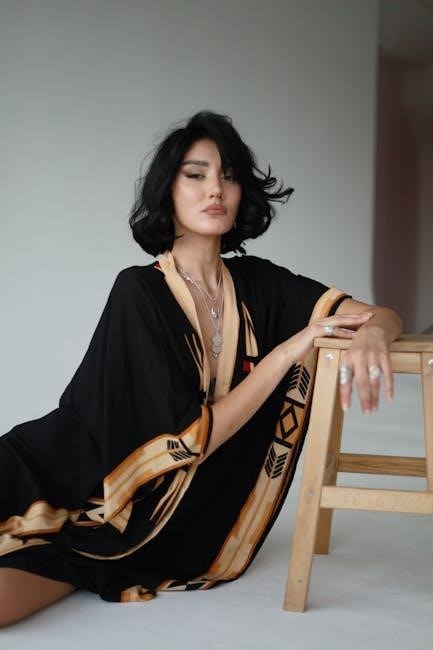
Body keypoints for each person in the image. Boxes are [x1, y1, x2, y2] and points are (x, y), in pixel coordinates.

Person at [0, 111, 402, 626]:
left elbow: (380, 315)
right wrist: (286, 352)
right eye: (196, 175)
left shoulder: (262, 284)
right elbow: (190, 438)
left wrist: (371, 334)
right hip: (65, 470)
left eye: (228, 176)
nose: (216, 189)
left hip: (171, 517)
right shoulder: (139, 290)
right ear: (168, 190)